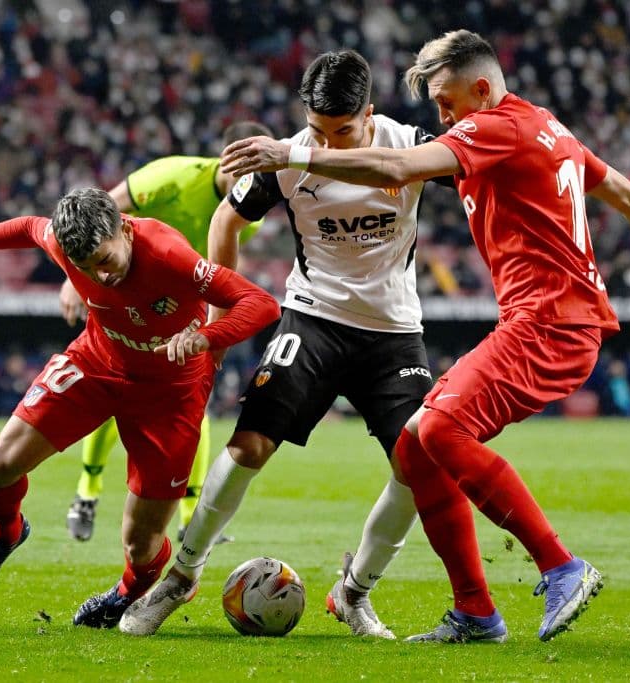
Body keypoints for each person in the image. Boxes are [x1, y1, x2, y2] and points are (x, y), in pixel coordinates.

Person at [215, 29, 630, 643]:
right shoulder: (548, 127)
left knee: (437, 428)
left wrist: (292, 154)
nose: (442, 118)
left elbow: (397, 166)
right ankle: (476, 612)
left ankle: (561, 567)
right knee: (416, 448)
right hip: (549, 320)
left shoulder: (494, 127)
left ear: (481, 89)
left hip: (549, 321)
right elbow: (621, 189)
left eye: (446, 102)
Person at [120, 49, 451, 639]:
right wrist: (222, 317)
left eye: (343, 131)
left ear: (370, 115)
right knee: (248, 447)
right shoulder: (282, 159)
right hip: (314, 320)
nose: (328, 142)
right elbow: (225, 222)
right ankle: (182, 575)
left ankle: (354, 593)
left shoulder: (408, 143)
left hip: (394, 333)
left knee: (418, 463)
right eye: (318, 130)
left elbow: (472, 168)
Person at [0, 187, 279, 628]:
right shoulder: (66, 243)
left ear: (123, 227)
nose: (100, 276)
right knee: (0, 467)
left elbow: (261, 303)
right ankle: (6, 534)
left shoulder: (167, 253)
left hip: (171, 391)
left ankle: (124, 595)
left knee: (141, 546)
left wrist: (208, 337)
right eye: (85, 268)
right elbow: (25, 227)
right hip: (97, 362)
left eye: (105, 260)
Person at [58, 121, 273, 545]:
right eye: (243, 172)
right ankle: (87, 492)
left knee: (195, 402)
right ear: (225, 159)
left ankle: (190, 515)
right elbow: (106, 210)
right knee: (117, 386)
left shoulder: (251, 211)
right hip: (123, 288)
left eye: (258, 175)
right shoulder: (172, 176)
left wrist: (217, 330)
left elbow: (222, 270)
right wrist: (74, 276)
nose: (250, 186)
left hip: (180, 310)